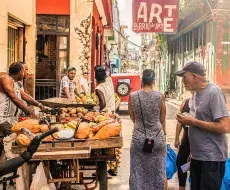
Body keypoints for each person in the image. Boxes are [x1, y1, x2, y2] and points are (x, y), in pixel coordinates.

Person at [175, 61, 230, 190]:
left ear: (195, 76)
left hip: (211, 159)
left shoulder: (213, 93)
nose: (183, 81)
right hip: (197, 157)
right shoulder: (195, 95)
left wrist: (193, 122)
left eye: (185, 77)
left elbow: (225, 127)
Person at [128, 69, 166, 190]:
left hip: (139, 139)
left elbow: (133, 117)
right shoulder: (160, 96)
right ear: (153, 81)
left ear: (142, 81)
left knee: (138, 171)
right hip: (157, 138)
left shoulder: (133, 96)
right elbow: (162, 118)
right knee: (158, 171)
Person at [0, 62, 37, 156]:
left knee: (13, 142)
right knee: (12, 140)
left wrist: (39, 105)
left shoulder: (16, 83)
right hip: (3, 118)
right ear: (20, 72)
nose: (27, 73)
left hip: (12, 119)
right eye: (25, 70)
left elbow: (24, 96)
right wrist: (27, 110)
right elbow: (13, 97)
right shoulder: (5, 78)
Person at [174, 92, 194, 190]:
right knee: (180, 163)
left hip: (198, 142)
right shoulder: (185, 103)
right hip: (186, 140)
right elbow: (179, 121)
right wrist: (177, 138)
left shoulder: (201, 104)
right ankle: (182, 187)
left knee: (195, 165)